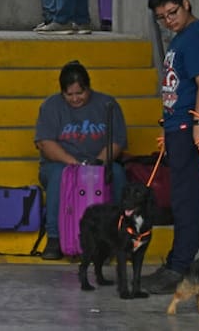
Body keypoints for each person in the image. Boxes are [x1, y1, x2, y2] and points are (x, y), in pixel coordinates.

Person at [142, 0, 199, 294]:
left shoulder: (198, 38)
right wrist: (170, 129)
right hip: (178, 130)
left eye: (172, 12)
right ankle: (176, 261)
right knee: (179, 199)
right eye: (162, 17)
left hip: (193, 130)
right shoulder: (180, 40)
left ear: (186, 3)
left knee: (187, 201)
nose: (168, 20)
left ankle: (179, 268)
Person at [34, 60, 128, 260]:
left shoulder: (107, 104)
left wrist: (98, 163)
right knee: (61, 176)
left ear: (89, 88)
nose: (76, 99)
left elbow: (118, 141)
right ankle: (54, 237)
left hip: (99, 163)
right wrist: (73, 164)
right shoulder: (51, 106)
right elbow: (45, 143)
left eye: (80, 93)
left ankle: (119, 233)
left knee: (118, 174)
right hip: (62, 163)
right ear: (62, 93)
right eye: (70, 95)